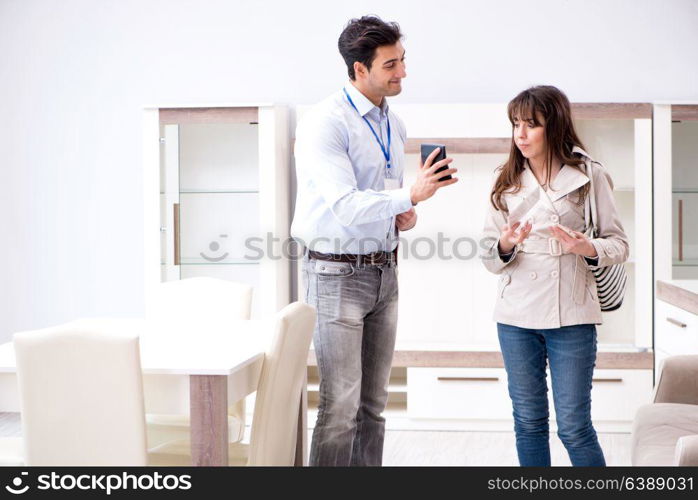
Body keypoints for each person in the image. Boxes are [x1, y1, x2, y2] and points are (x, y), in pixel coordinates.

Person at [291, 15, 458, 466]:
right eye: (390, 64)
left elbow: (378, 197)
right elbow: (344, 205)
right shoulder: (325, 123)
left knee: (374, 405)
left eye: (402, 60)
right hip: (335, 274)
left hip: (385, 270)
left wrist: (402, 213)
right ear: (359, 69)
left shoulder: (393, 123)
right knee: (340, 406)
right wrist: (407, 193)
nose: (402, 71)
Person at [480, 85, 629, 466]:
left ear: (555, 126)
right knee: (528, 422)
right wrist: (506, 244)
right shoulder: (506, 180)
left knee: (574, 426)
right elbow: (487, 255)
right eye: (516, 124)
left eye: (531, 124)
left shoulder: (589, 176)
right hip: (515, 317)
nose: (521, 134)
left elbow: (619, 245)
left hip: (573, 315)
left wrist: (586, 247)